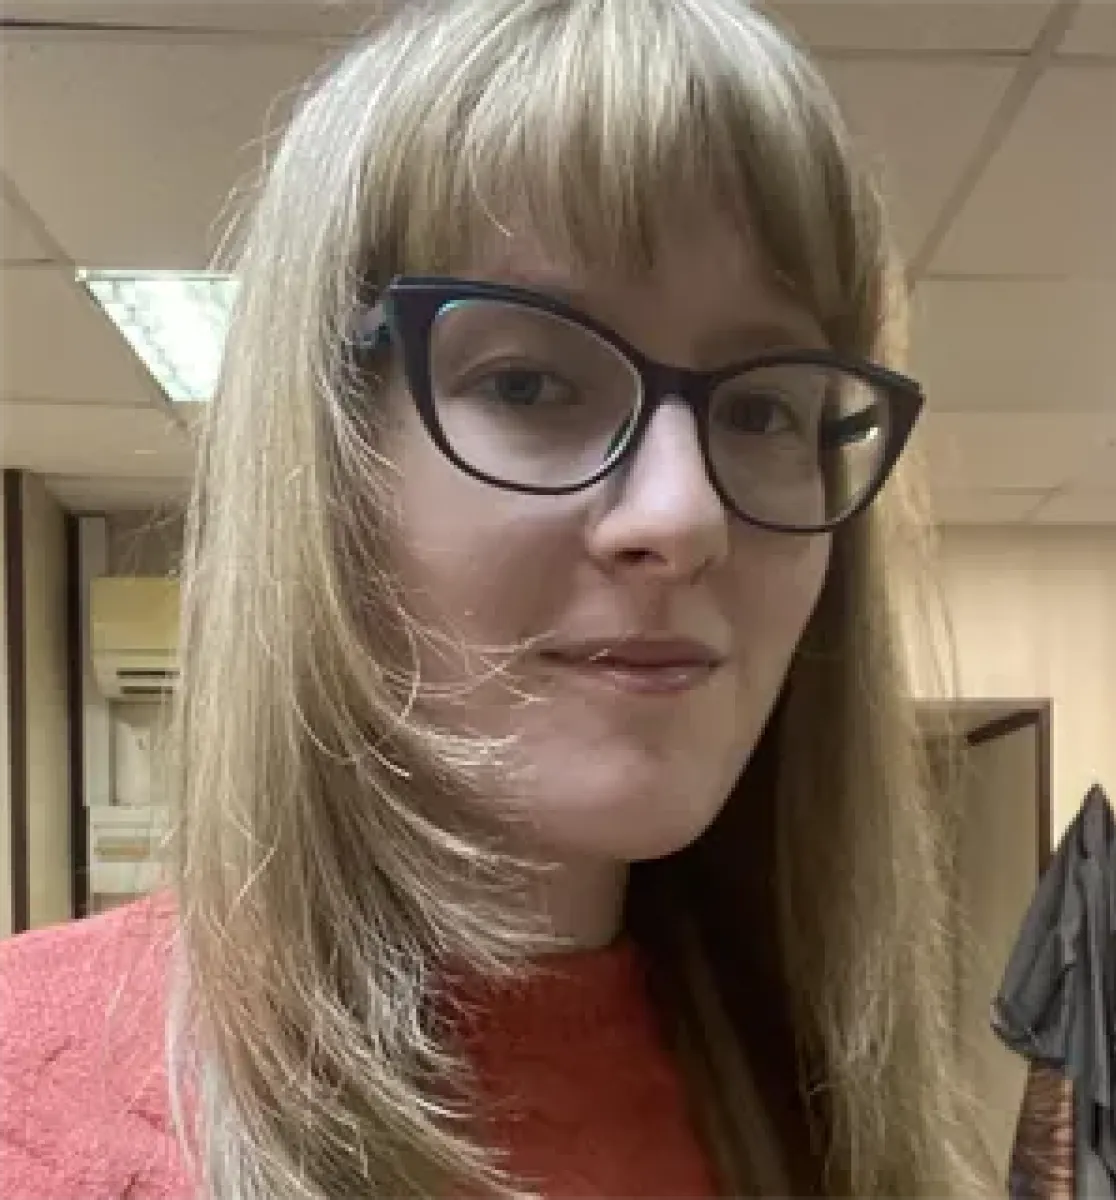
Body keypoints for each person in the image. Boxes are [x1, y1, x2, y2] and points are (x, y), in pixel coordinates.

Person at [0, 1, 982, 1196]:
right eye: (529, 383)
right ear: (331, 459)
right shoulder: (30, 1103)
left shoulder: (839, 1116)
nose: (683, 515)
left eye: (765, 409)